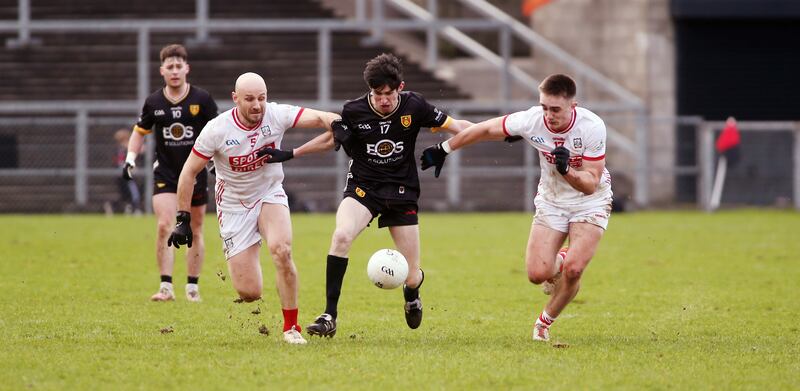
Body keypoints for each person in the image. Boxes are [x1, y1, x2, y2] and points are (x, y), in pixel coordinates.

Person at [260, 53, 473, 338]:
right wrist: (291, 153)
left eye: (389, 93)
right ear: (370, 90)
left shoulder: (415, 105)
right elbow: (330, 138)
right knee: (341, 236)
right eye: (377, 93)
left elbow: (457, 126)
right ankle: (329, 315)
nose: (383, 99)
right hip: (363, 189)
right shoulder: (353, 111)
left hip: (402, 191)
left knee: (411, 274)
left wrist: (498, 131)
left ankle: (412, 294)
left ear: (400, 87)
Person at [420, 74, 613, 342]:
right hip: (552, 199)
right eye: (544, 107)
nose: (549, 115)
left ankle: (543, 323)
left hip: (590, 201)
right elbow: (485, 129)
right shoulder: (532, 119)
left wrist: (566, 169)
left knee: (573, 270)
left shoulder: (592, 127)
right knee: (537, 274)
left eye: (555, 109)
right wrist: (444, 149)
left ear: (573, 106)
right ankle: (563, 259)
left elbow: (590, 184)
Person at [167, 72, 340, 345]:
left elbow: (323, 118)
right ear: (235, 98)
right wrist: (182, 218)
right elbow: (188, 172)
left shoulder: (276, 114)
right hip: (234, 204)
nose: (257, 105)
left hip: (269, 193)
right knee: (249, 291)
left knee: (282, 251)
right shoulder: (217, 129)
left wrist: (336, 123)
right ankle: (250, 247)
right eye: (249, 99)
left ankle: (290, 327)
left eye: (262, 98)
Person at [122, 44, 218, 302]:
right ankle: (166, 287)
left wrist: (216, 163)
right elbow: (139, 132)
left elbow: (218, 131)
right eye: (170, 67)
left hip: (195, 174)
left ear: (187, 68)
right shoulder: (154, 102)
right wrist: (131, 158)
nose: (175, 71)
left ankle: (192, 287)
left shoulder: (202, 100)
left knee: (195, 229)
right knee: (165, 225)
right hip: (165, 173)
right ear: (161, 70)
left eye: (179, 66)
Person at [107, 129, 142, 215]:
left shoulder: (119, 149)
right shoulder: (125, 150)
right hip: (125, 174)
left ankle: (114, 205)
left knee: (125, 195)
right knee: (134, 193)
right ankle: (135, 209)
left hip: (121, 174)